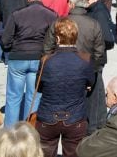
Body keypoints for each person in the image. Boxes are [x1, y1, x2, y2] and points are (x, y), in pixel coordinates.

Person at [35, 18, 95, 157]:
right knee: (74, 152)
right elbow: (90, 82)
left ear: (57, 38)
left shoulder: (46, 60)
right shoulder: (85, 59)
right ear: (75, 37)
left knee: (44, 152)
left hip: (47, 115)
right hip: (76, 117)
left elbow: (38, 87)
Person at [1, 0, 57, 126]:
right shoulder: (51, 15)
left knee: (13, 96)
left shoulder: (17, 14)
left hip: (19, 55)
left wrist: (10, 48)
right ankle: (29, 129)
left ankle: (10, 131)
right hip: (39, 57)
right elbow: (54, 40)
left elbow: (5, 40)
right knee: (34, 97)